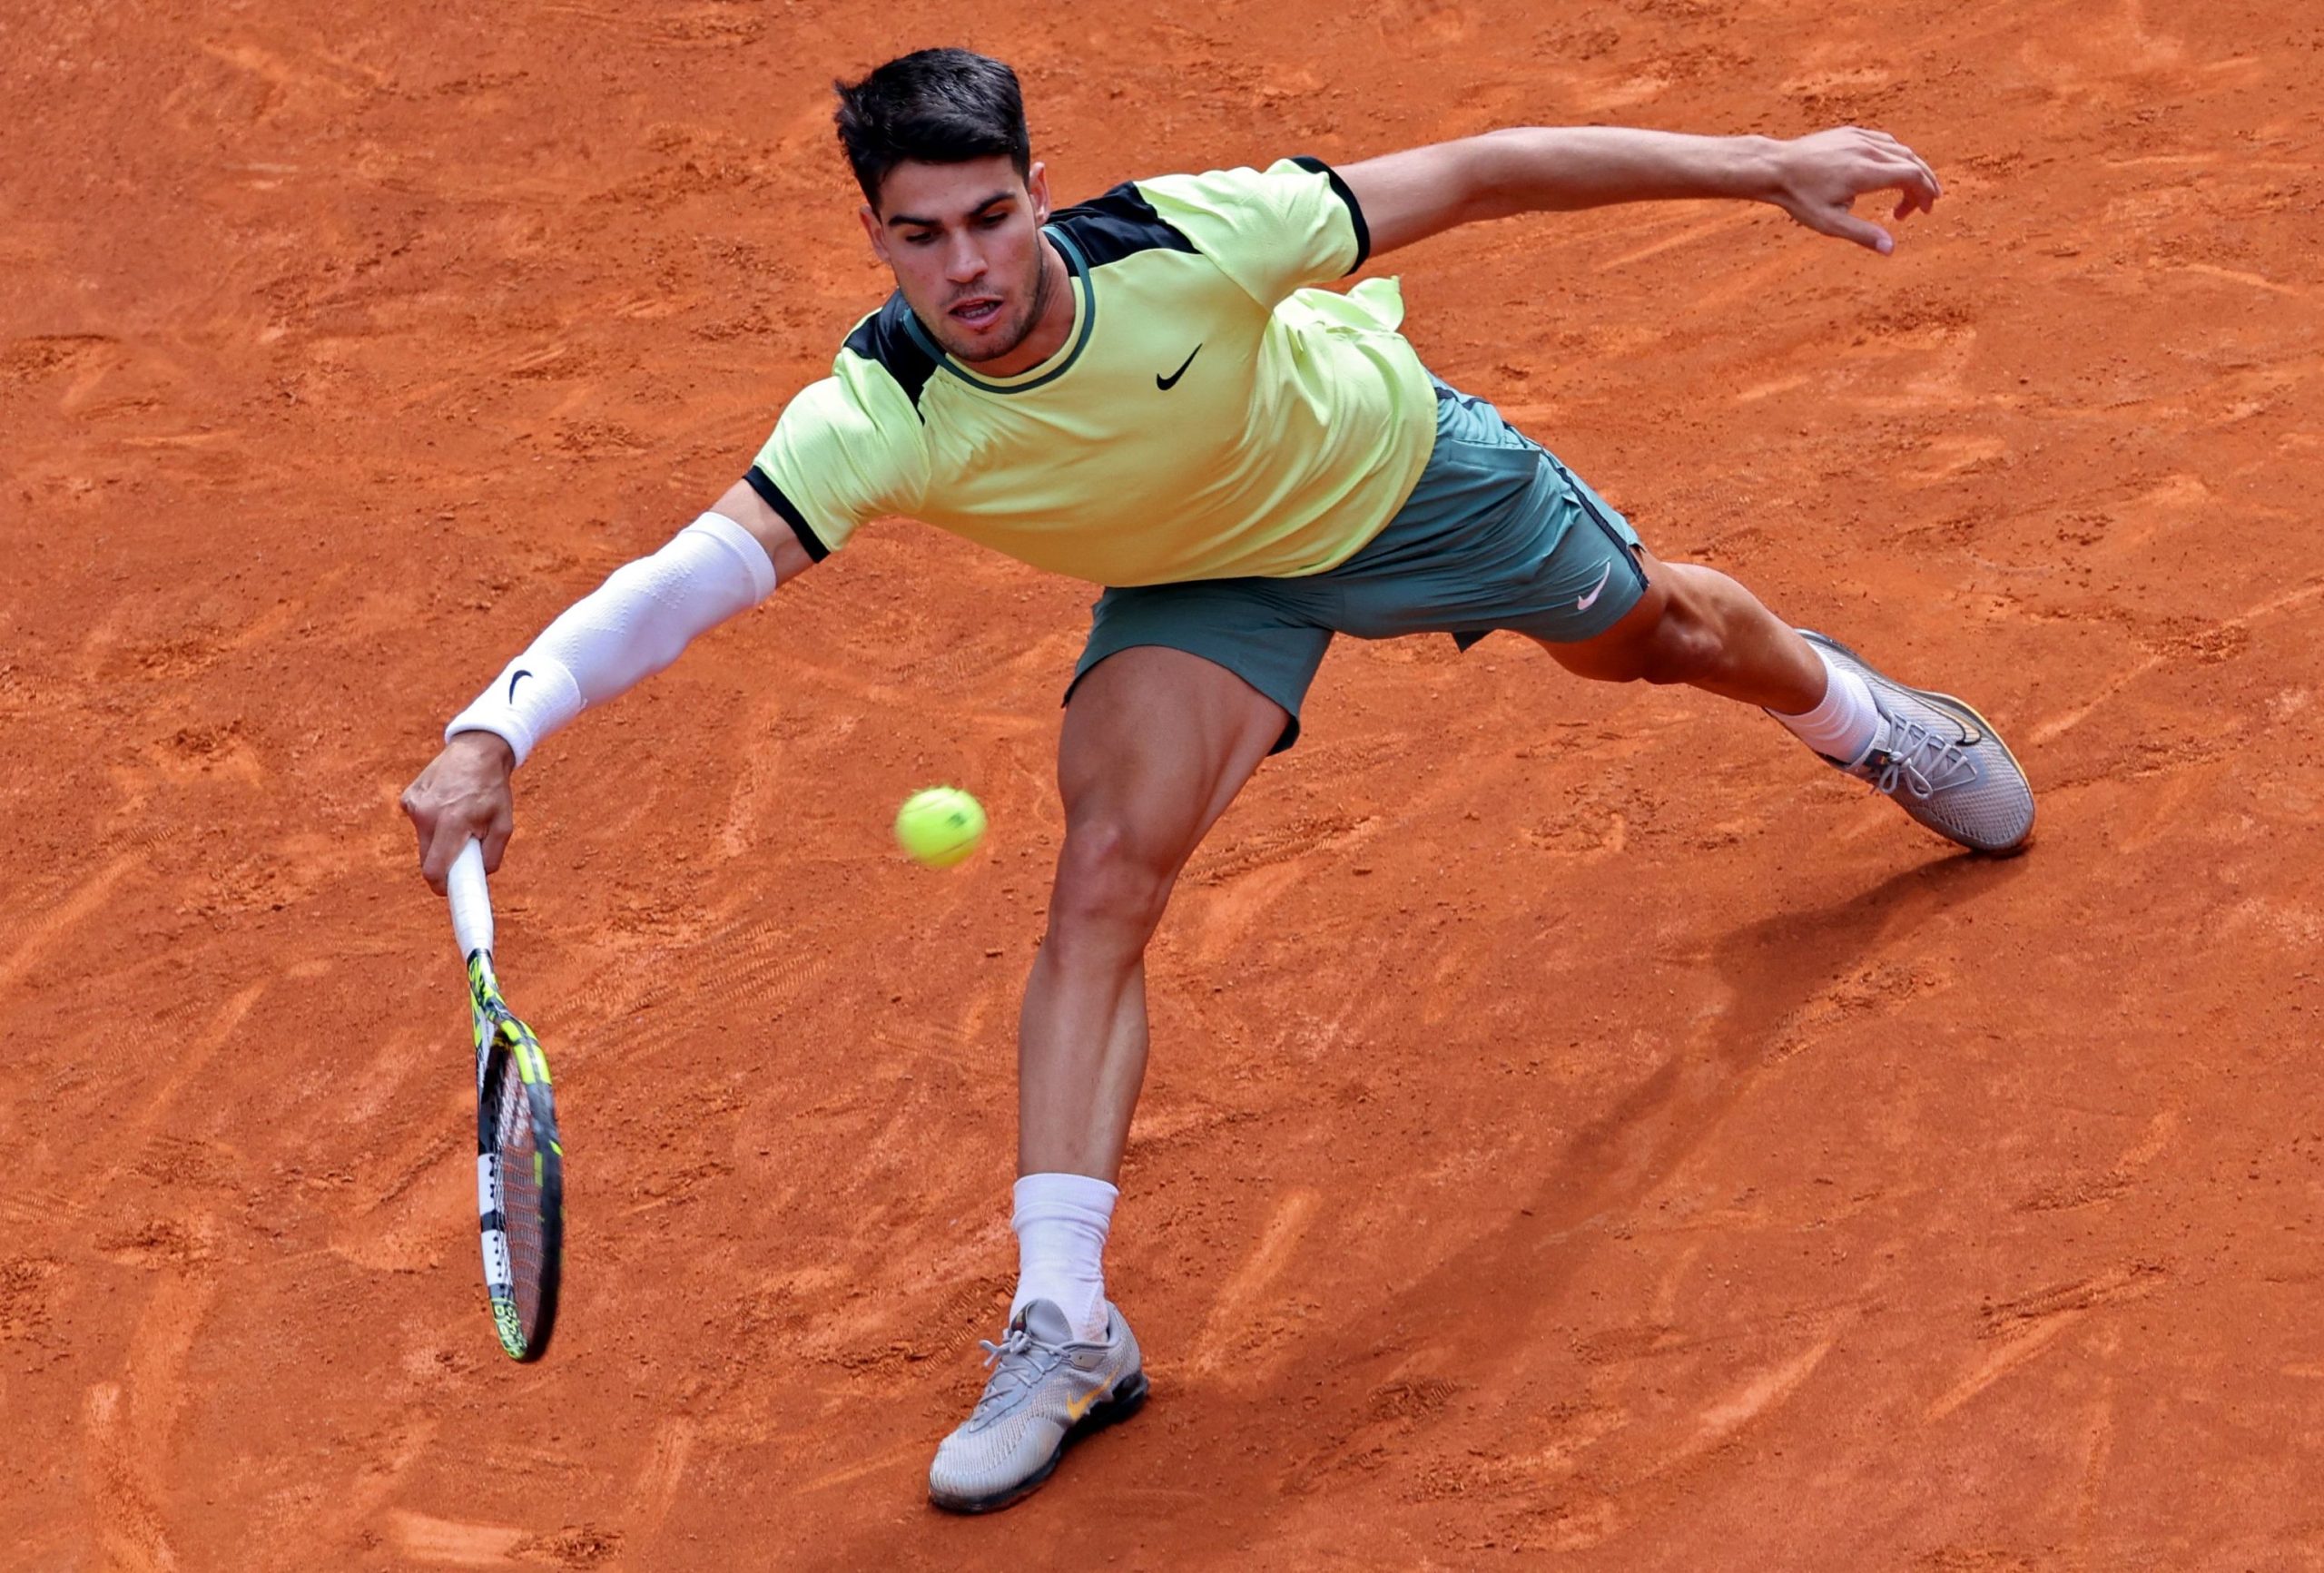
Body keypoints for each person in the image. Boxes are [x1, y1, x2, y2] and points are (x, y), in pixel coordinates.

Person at [399, 47, 2034, 1514]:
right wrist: (499, 724)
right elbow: (696, 571)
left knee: (1659, 637)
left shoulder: (1188, 237)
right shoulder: (879, 410)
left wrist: (1765, 165)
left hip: (1402, 479)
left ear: (1042, 193)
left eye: (989, 219)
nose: (965, 268)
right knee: (1104, 869)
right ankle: (1066, 1319)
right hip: (1202, 590)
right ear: (877, 241)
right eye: (921, 237)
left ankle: (1857, 713)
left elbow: (1474, 173)